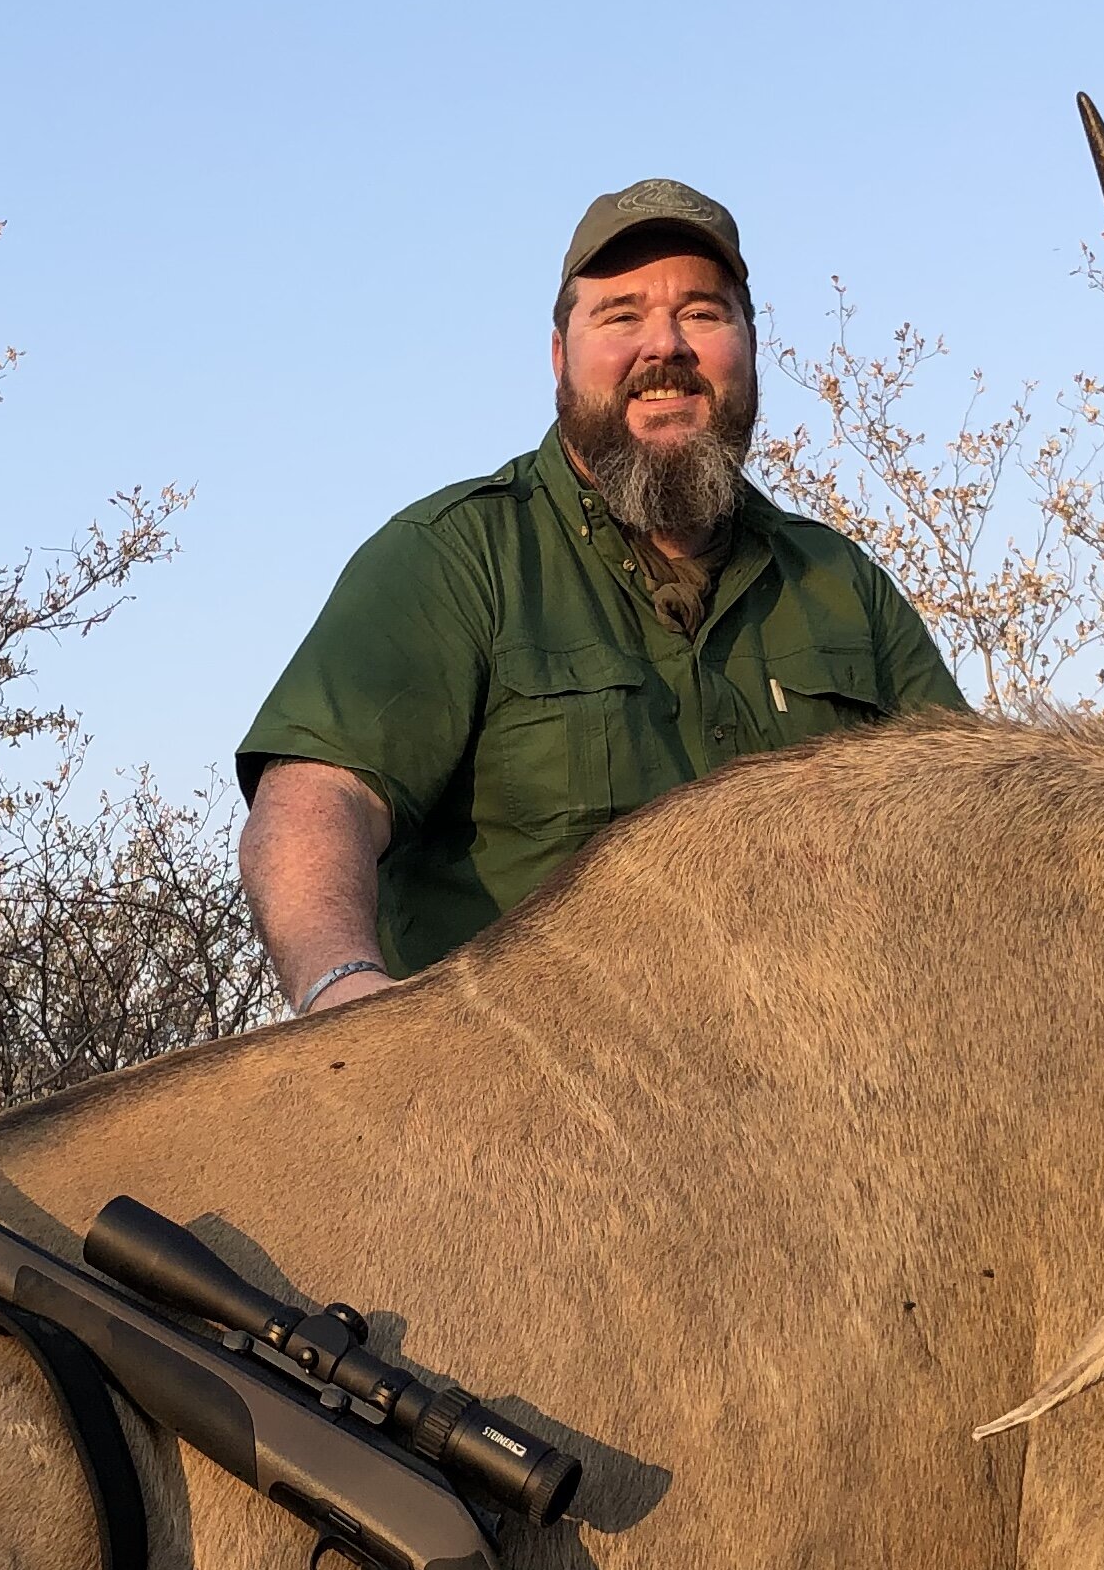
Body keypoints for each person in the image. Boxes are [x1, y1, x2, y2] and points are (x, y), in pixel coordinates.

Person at [238, 177, 965, 1013]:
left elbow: (974, 833)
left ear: (750, 348)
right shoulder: (453, 557)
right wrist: (344, 991)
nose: (665, 347)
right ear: (560, 359)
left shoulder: (843, 584)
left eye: (703, 312)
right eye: (621, 316)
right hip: (528, 1110)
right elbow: (315, 799)